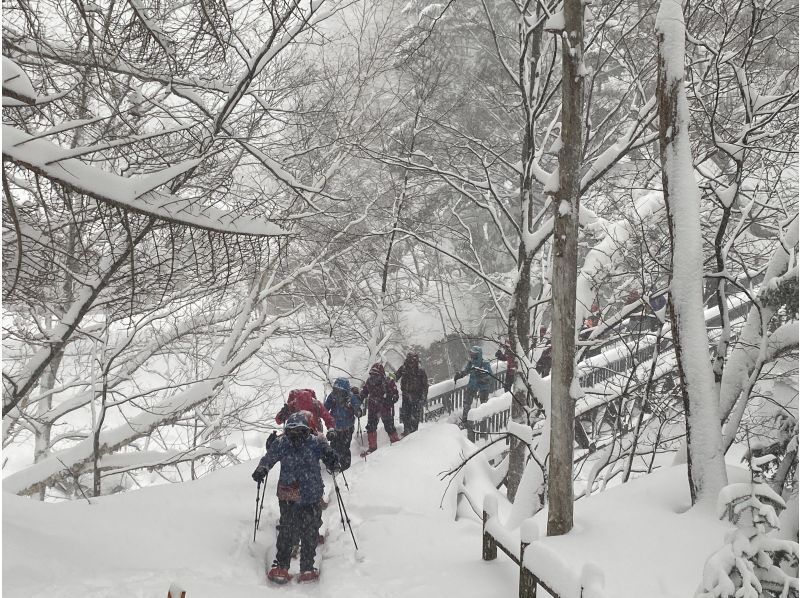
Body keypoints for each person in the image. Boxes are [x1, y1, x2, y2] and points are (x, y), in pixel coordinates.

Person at [252, 412, 339, 585]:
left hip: (302, 494)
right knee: (291, 530)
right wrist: (262, 468)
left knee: (304, 530)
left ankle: (303, 566)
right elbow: (268, 459)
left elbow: (329, 456)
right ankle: (288, 566)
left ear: (307, 430)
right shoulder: (287, 443)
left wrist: (331, 458)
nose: (296, 434)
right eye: (293, 431)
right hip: (298, 494)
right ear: (287, 431)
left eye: (300, 430)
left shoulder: (311, 443)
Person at [360, 363, 401, 453]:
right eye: (372, 374)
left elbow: (396, 395)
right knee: (371, 427)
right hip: (373, 407)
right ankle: (372, 448)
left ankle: (395, 443)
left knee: (389, 426)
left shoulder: (388, 382)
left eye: (376, 375)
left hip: (384, 407)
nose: (374, 377)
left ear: (381, 374)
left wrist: (391, 399)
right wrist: (360, 398)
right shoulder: (369, 381)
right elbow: (364, 392)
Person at [323, 377, 362, 471]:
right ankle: (335, 466)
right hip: (336, 427)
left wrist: (357, 410)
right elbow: (325, 408)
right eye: (336, 390)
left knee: (344, 448)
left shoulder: (351, 398)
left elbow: (358, 408)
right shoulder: (332, 396)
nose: (338, 393)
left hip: (347, 428)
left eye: (340, 391)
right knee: (334, 446)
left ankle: (345, 468)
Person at [453, 345, 492, 429]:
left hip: (483, 388)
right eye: (471, 354)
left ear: (478, 354)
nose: (472, 356)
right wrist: (460, 374)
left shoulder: (485, 363)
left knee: (483, 405)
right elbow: (466, 371)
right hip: (472, 385)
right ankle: (465, 421)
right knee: (467, 403)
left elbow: (490, 376)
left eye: (474, 354)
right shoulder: (471, 363)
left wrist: (483, 379)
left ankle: (483, 422)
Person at [395, 352, 428, 436]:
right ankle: (407, 431)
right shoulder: (403, 368)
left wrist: (423, 397)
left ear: (416, 361)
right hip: (406, 395)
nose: (411, 364)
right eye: (409, 361)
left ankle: (413, 434)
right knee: (405, 414)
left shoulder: (420, 371)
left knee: (414, 416)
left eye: (412, 361)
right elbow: (395, 377)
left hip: (417, 396)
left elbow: (425, 385)